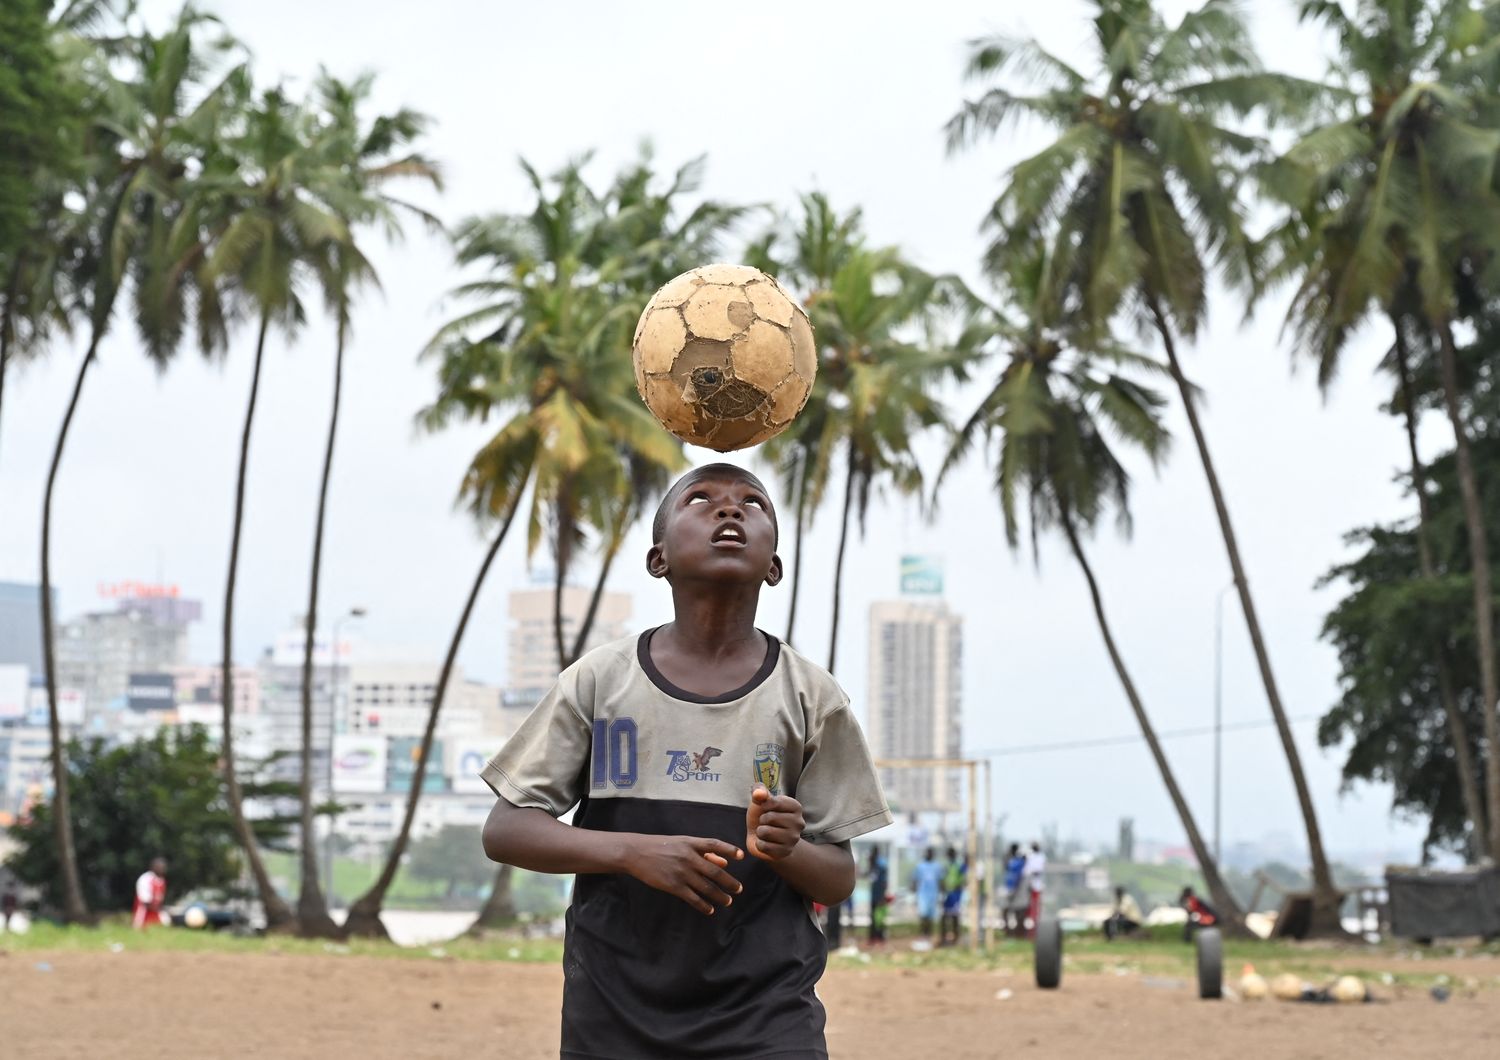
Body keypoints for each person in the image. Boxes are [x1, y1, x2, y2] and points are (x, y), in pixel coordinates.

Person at [479, 464, 893, 1060]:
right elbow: (507, 829)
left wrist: (787, 849)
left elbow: (838, 876)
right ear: (659, 559)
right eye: (700, 499)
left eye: (753, 503)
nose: (729, 510)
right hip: (614, 1010)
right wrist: (633, 852)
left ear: (774, 565)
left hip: (765, 1016)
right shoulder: (600, 680)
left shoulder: (811, 698)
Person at [912, 847, 943, 939]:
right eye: (927, 853)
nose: (929, 855)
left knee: (930, 916)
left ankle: (929, 934)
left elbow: (940, 880)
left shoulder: (937, 866)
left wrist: (942, 894)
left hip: (933, 894)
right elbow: (915, 879)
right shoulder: (920, 866)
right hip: (923, 894)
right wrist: (913, 890)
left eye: (930, 853)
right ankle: (923, 934)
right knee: (923, 915)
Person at [939, 846, 967, 946]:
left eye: (952, 854)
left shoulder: (958, 866)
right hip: (947, 895)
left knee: (955, 916)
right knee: (944, 917)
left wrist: (956, 888)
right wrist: (942, 893)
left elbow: (962, 880)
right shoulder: (946, 866)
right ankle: (943, 939)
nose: (950, 856)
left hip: (956, 895)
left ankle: (956, 939)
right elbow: (942, 880)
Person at [133, 857, 167, 929]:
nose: (162, 869)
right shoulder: (145, 879)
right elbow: (145, 902)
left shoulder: (161, 880)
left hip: (155, 912)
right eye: (160, 867)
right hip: (144, 914)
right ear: (153, 867)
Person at [866, 847, 889, 945]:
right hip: (873, 896)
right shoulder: (873, 865)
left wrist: (882, 896)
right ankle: (873, 937)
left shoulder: (881, 865)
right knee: (872, 916)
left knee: (879, 918)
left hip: (879, 896)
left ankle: (880, 937)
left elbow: (884, 882)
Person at [1002, 843, 1026, 935]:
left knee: (1017, 912)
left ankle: (1018, 932)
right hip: (1009, 888)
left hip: (1016, 889)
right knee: (1006, 911)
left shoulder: (1018, 861)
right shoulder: (1011, 860)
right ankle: (1009, 931)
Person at [1024, 841, 1047, 935]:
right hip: (1029, 886)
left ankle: (1035, 928)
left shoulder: (1041, 857)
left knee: (1036, 908)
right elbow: (1027, 871)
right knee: (1029, 908)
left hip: (1037, 886)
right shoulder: (1030, 857)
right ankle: (1030, 929)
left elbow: (1038, 870)